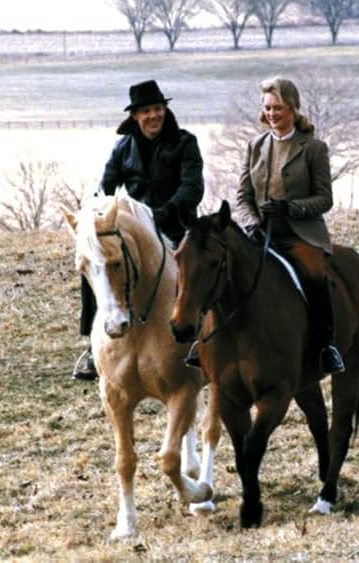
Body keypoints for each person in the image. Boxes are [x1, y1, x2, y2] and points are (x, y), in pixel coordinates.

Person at [72, 79, 205, 381]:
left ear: (165, 110)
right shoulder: (122, 147)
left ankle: (200, 340)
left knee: (195, 271)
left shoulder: (185, 142)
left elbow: (192, 188)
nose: (153, 115)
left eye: (158, 109)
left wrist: (161, 214)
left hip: (173, 225)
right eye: (146, 111)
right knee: (95, 263)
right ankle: (90, 348)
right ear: (135, 116)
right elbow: (104, 188)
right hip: (130, 232)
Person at [235, 76, 345, 374]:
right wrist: (250, 223)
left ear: (293, 109)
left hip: (300, 234)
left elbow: (324, 199)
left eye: (278, 108)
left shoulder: (313, 148)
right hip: (259, 234)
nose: (272, 114)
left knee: (313, 276)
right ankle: (210, 345)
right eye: (268, 108)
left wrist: (290, 209)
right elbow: (243, 196)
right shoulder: (254, 146)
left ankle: (327, 346)